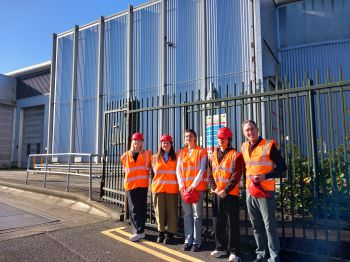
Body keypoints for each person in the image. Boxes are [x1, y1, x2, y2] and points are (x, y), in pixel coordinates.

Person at [241, 120, 287, 262]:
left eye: (252, 129)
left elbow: (282, 167)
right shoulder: (243, 147)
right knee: (256, 225)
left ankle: (274, 258)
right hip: (250, 191)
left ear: (258, 129)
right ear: (244, 133)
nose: (250, 132)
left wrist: (265, 176)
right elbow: (246, 168)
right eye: (247, 130)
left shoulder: (268, 145)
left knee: (269, 226)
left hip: (265, 191)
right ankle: (261, 254)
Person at [208, 127, 243, 262]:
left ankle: (234, 251)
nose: (220, 140)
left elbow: (236, 175)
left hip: (230, 194)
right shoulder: (212, 155)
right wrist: (214, 188)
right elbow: (209, 173)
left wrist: (226, 190)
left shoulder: (236, 155)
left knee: (232, 223)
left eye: (223, 138)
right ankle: (220, 247)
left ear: (229, 139)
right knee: (217, 222)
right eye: (218, 138)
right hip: (217, 193)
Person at [176, 129, 207, 252]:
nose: (188, 138)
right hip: (184, 189)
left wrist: (193, 186)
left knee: (197, 215)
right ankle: (187, 240)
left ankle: (196, 241)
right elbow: (177, 169)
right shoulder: (181, 152)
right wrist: (182, 185)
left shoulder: (201, 151)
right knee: (187, 214)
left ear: (195, 137)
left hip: (197, 188)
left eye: (190, 136)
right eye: (186, 136)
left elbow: (202, 169)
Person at [121, 132, 151, 242]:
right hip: (131, 185)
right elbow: (125, 170)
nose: (137, 142)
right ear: (132, 141)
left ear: (142, 142)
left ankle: (141, 231)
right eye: (135, 140)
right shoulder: (125, 155)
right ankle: (137, 232)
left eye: (139, 140)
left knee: (142, 208)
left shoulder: (147, 154)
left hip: (142, 185)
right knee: (133, 209)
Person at [151, 134, 178, 244]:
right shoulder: (154, 158)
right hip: (159, 188)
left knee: (172, 212)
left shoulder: (176, 157)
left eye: (167, 143)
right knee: (159, 212)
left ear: (171, 144)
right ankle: (161, 232)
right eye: (163, 143)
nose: (165, 145)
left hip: (172, 188)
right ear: (160, 144)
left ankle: (170, 234)